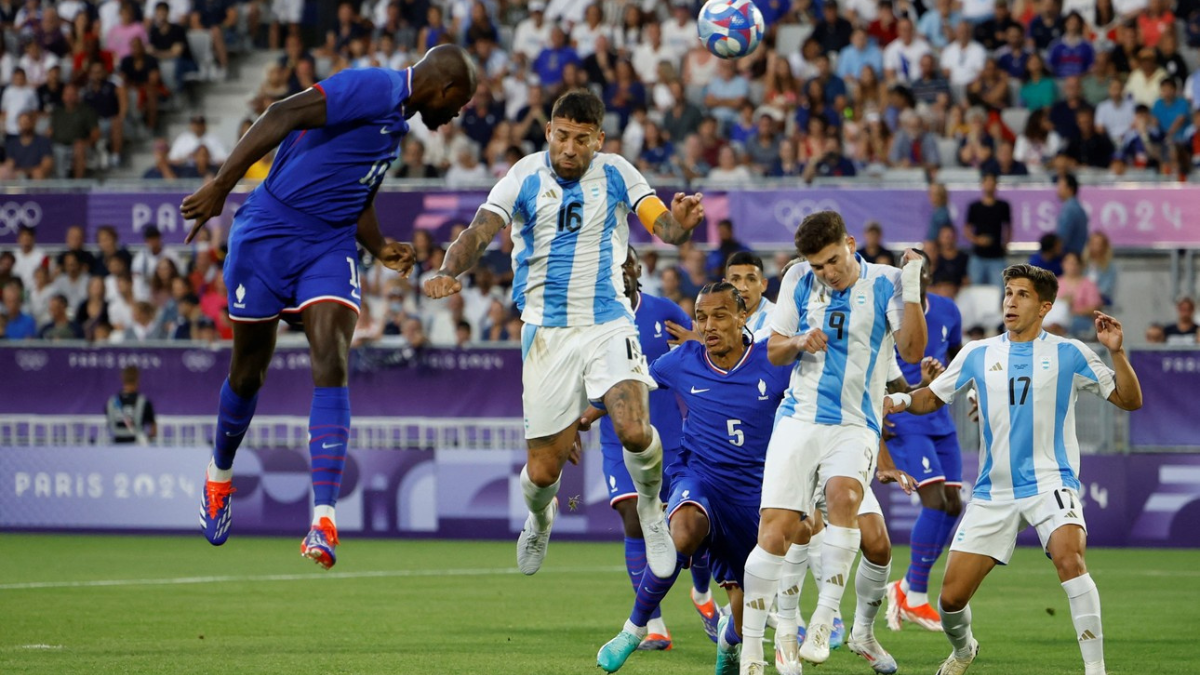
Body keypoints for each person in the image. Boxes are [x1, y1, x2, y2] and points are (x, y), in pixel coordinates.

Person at [180, 45, 477, 568]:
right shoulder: (373, 87)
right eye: (458, 105)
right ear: (445, 88)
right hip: (268, 231)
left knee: (333, 359)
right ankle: (220, 475)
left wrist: (378, 243)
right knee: (249, 374)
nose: (455, 116)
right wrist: (221, 186)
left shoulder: (396, 123)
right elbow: (281, 113)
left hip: (329, 243)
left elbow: (354, 193)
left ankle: (323, 519)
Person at [422, 89, 705, 580]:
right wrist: (450, 268)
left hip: (606, 321)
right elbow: (480, 230)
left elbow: (661, 223)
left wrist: (679, 227)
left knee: (635, 429)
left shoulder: (616, 171)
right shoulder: (524, 176)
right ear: (548, 131)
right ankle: (539, 517)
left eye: (581, 139)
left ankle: (652, 509)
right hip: (547, 333)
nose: (569, 149)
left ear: (598, 140)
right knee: (543, 474)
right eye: (561, 136)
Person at [883, 264, 1142, 675]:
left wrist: (1116, 351)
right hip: (994, 491)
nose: (1010, 301)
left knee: (1069, 558)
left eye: (1021, 294)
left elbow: (1129, 400)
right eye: (1007, 292)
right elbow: (933, 396)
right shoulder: (977, 353)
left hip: (1050, 482)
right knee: (951, 600)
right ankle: (965, 650)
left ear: (1044, 307)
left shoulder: (1069, 352)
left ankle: (1096, 670)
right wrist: (895, 402)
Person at [739, 211, 927, 673]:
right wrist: (802, 339)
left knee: (845, 497)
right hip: (799, 420)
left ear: (849, 243)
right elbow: (775, 348)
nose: (827, 273)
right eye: (818, 265)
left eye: (832, 261)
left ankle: (823, 620)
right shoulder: (799, 280)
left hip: (854, 423)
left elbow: (913, 352)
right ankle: (754, 652)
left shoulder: (885, 282)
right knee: (776, 533)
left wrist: (914, 286)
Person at [590, 282, 791, 675]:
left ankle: (730, 644)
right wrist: (578, 421)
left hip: (753, 496)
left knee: (746, 607)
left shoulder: (774, 360)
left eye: (719, 315)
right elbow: (630, 388)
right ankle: (634, 629)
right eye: (701, 317)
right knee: (681, 532)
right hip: (697, 475)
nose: (709, 325)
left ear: (742, 317)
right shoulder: (682, 360)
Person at [599, 244, 706, 651]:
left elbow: (705, 351)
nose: (622, 270)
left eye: (626, 263)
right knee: (633, 519)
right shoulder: (593, 319)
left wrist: (695, 338)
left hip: (672, 437)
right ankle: (654, 625)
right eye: (613, 265)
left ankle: (702, 594)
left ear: (637, 267)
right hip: (616, 438)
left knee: (689, 530)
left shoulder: (663, 311)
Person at [884, 250, 964, 632]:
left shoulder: (949, 310)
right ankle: (915, 594)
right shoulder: (887, 311)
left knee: (952, 504)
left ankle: (905, 586)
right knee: (933, 501)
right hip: (905, 417)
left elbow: (957, 358)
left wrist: (956, 380)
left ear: (928, 276)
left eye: (919, 273)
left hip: (940, 415)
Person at [964, 172, 1011, 287]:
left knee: (999, 291)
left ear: (996, 185)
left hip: (997, 256)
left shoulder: (1003, 206)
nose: (989, 185)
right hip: (978, 256)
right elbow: (967, 230)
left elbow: (1008, 227)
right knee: (974, 289)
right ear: (982, 184)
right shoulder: (974, 207)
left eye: (992, 182)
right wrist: (977, 240)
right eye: (987, 182)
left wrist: (1005, 244)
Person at [724, 251, 773, 339]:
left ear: (763, 285)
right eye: (735, 280)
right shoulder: (715, 316)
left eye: (751, 279)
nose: (743, 287)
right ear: (724, 285)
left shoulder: (776, 318)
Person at [105, 365, 157, 444]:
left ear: (122, 378)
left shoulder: (112, 401)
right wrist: (147, 441)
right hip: (137, 448)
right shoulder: (144, 402)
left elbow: (110, 423)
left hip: (115, 448)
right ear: (137, 379)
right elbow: (153, 431)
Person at [1056, 173, 1088, 257]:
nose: (1058, 189)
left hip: (1070, 256)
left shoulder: (1070, 209)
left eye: (1060, 186)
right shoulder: (1077, 207)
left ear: (1069, 189)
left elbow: (1062, 238)